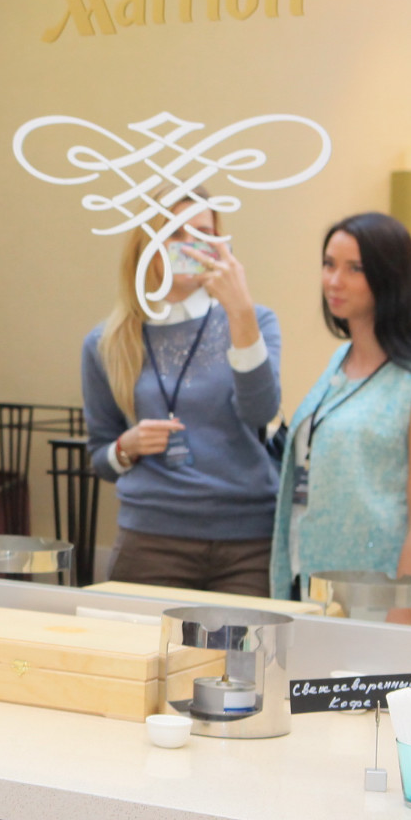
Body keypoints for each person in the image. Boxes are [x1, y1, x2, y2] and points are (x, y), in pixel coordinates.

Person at [80, 194, 282, 596]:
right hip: (152, 539)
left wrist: (240, 311)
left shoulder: (254, 320)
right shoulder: (108, 341)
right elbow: (100, 458)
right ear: (147, 245)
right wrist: (127, 446)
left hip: (247, 541)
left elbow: (261, 411)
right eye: (174, 233)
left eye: (203, 233)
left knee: (248, 641)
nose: (189, 245)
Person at [271, 213, 411, 627]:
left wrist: (400, 622)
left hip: (395, 597)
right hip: (329, 586)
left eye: (354, 269)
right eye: (329, 264)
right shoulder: (339, 363)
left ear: (389, 277)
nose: (334, 281)